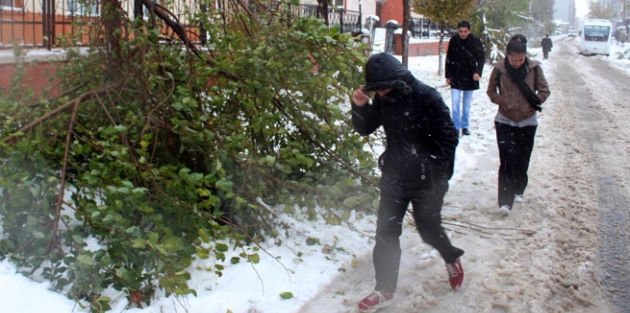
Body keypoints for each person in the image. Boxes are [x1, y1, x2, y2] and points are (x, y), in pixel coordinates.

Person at [351, 53, 464, 313]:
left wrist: (431, 169)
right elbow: (366, 127)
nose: (379, 93)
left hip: (427, 180)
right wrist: (360, 107)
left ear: (396, 79)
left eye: (382, 88)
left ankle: (451, 256)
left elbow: (448, 139)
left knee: (428, 229)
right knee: (386, 233)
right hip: (394, 176)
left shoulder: (427, 97)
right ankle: (384, 289)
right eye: (375, 89)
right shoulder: (383, 98)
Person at [486, 36, 551, 216]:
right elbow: (491, 91)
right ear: (507, 56)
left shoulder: (534, 69)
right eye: (513, 59)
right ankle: (505, 202)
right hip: (504, 120)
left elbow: (545, 90)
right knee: (507, 159)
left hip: (528, 121)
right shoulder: (499, 69)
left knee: (522, 158)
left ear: (525, 57)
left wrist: (534, 101)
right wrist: (502, 100)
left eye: (520, 60)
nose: (516, 63)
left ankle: (518, 189)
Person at [445, 20, 486, 136]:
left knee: (466, 104)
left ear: (469, 31)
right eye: (461, 31)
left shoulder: (475, 41)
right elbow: (449, 58)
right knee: (455, 102)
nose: (463, 34)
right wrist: (447, 75)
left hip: (470, 75)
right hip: (456, 74)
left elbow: (481, 58)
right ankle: (456, 126)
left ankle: (465, 126)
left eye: (465, 31)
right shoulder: (454, 40)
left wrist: (478, 72)